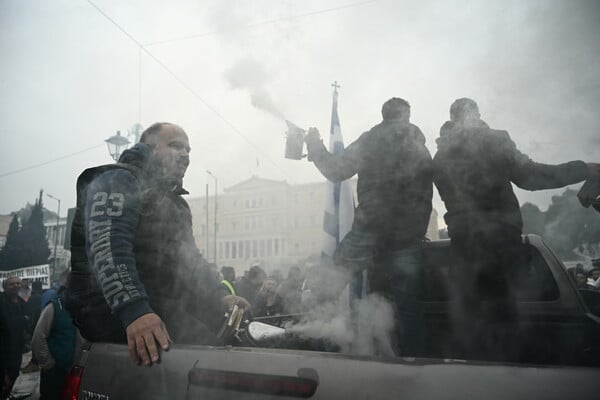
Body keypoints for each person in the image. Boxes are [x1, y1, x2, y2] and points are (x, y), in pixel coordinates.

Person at [67, 122, 248, 366]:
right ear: (149, 148)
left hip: (159, 301)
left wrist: (220, 297)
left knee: (237, 337)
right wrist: (135, 311)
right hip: (109, 308)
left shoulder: (177, 205)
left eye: (189, 150)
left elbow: (191, 262)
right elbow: (107, 247)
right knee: (211, 357)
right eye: (176, 146)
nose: (185, 155)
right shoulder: (118, 179)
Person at [432, 98, 600, 360]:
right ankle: (506, 376)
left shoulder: (440, 156)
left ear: (452, 119)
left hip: (463, 246)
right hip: (501, 242)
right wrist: (584, 169)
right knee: (505, 320)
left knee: (471, 321)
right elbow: (530, 177)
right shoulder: (494, 140)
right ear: (475, 115)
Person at [304, 97, 434, 356]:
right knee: (408, 305)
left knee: (332, 281)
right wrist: (418, 230)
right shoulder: (419, 147)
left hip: (369, 228)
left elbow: (336, 169)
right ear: (406, 115)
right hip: (407, 235)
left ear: (384, 115)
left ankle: (312, 343)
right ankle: (417, 365)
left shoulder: (370, 140)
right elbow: (428, 193)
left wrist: (315, 145)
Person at [32, 277, 81, 400]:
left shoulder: (81, 307)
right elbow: (38, 337)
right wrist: (48, 364)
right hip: (55, 372)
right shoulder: (55, 306)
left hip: (74, 370)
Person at [0, 276, 30, 399]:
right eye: (12, 284)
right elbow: (7, 323)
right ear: (5, 287)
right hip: (4, 349)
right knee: (4, 379)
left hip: (16, 349)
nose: (16, 286)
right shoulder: (2, 302)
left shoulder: (21, 302)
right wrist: (22, 320)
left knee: (14, 375)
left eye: (18, 283)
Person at [21, 281, 44, 374]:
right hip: (39, 324)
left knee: (35, 345)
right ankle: (34, 362)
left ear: (33, 288)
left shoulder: (34, 298)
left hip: (34, 325)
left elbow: (29, 313)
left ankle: (35, 364)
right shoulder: (41, 296)